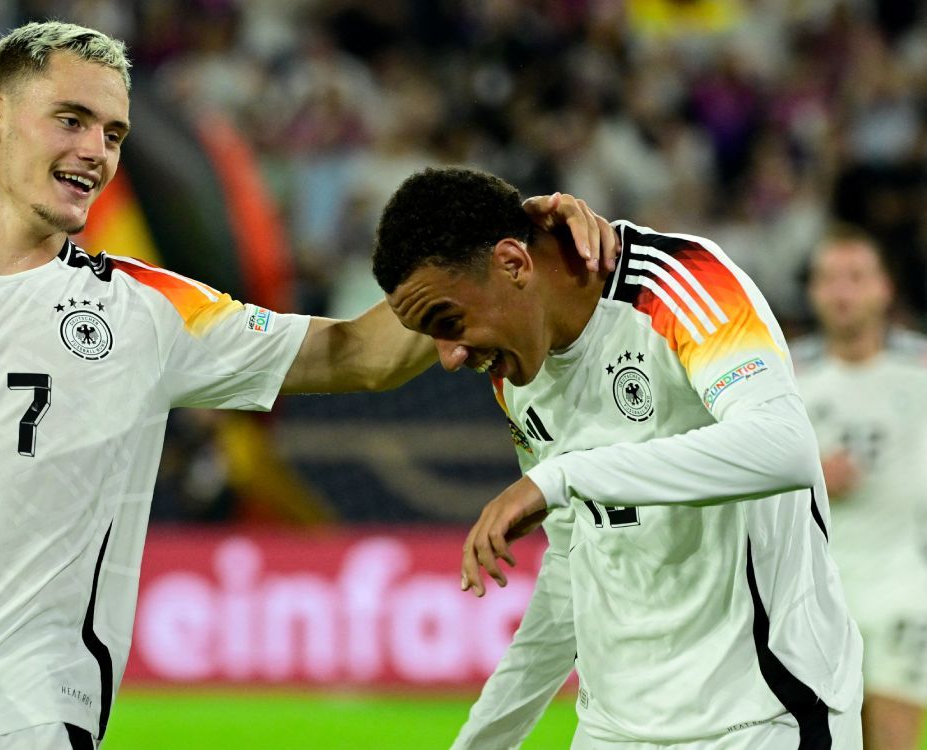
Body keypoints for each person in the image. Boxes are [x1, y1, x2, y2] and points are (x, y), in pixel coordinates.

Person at [0, 22, 616, 750]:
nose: (96, 151)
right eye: (72, 120)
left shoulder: (144, 310)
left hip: (27, 715)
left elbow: (356, 351)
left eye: (114, 133)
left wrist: (507, 249)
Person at [372, 166, 863, 748]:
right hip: (614, 728)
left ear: (513, 263)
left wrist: (563, 477)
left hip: (763, 715)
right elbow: (572, 568)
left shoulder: (678, 283)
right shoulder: (515, 373)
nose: (450, 357)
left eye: (449, 323)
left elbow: (785, 447)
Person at [794, 227, 927, 750]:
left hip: (905, 589)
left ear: (884, 289)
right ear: (812, 292)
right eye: (829, 279)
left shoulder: (920, 368)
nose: (842, 291)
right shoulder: (783, 376)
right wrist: (807, 475)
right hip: (815, 596)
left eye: (856, 277)